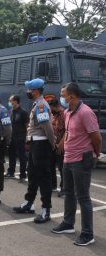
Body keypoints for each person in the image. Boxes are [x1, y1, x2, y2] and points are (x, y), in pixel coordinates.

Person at [51, 83, 102, 246]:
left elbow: (97, 137)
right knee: (68, 193)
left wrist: (95, 154)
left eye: (63, 94)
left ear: (72, 96)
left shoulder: (86, 113)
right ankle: (68, 224)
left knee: (83, 197)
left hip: (81, 159)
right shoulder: (67, 112)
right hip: (68, 158)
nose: (61, 98)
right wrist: (61, 145)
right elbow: (68, 131)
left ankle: (88, 233)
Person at [13, 79, 55, 223]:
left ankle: (45, 209)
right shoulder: (36, 104)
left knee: (43, 178)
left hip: (42, 145)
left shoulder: (41, 105)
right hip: (35, 144)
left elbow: (47, 127)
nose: (28, 92)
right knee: (33, 175)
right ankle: (29, 203)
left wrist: (52, 143)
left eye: (30, 90)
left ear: (36, 91)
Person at [5, 95, 29, 182]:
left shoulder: (23, 112)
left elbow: (27, 125)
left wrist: (27, 137)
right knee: (11, 155)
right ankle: (11, 172)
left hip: (20, 137)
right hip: (11, 137)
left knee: (22, 156)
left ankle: (23, 175)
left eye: (10, 100)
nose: (9, 102)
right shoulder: (10, 111)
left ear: (15, 101)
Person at [48, 98, 66, 196]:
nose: (50, 110)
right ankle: (52, 185)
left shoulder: (64, 114)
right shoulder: (53, 115)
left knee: (62, 168)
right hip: (53, 145)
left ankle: (64, 187)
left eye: (51, 108)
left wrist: (61, 144)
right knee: (51, 166)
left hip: (61, 146)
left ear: (55, 106)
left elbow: (67, 131)